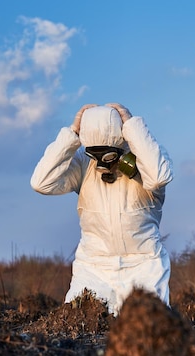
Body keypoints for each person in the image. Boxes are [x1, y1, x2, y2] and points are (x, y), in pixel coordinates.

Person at [30, 103, 174, 314]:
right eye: (93, 155)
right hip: (93, 268)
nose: (100, 163)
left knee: (148, 331)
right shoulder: (83, 166)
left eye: (107, 155)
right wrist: (72, 134)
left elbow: (159, 176)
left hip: (144, 266)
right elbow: (41, 182)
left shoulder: (149, 162)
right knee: (80, 325)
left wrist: (132, 126)